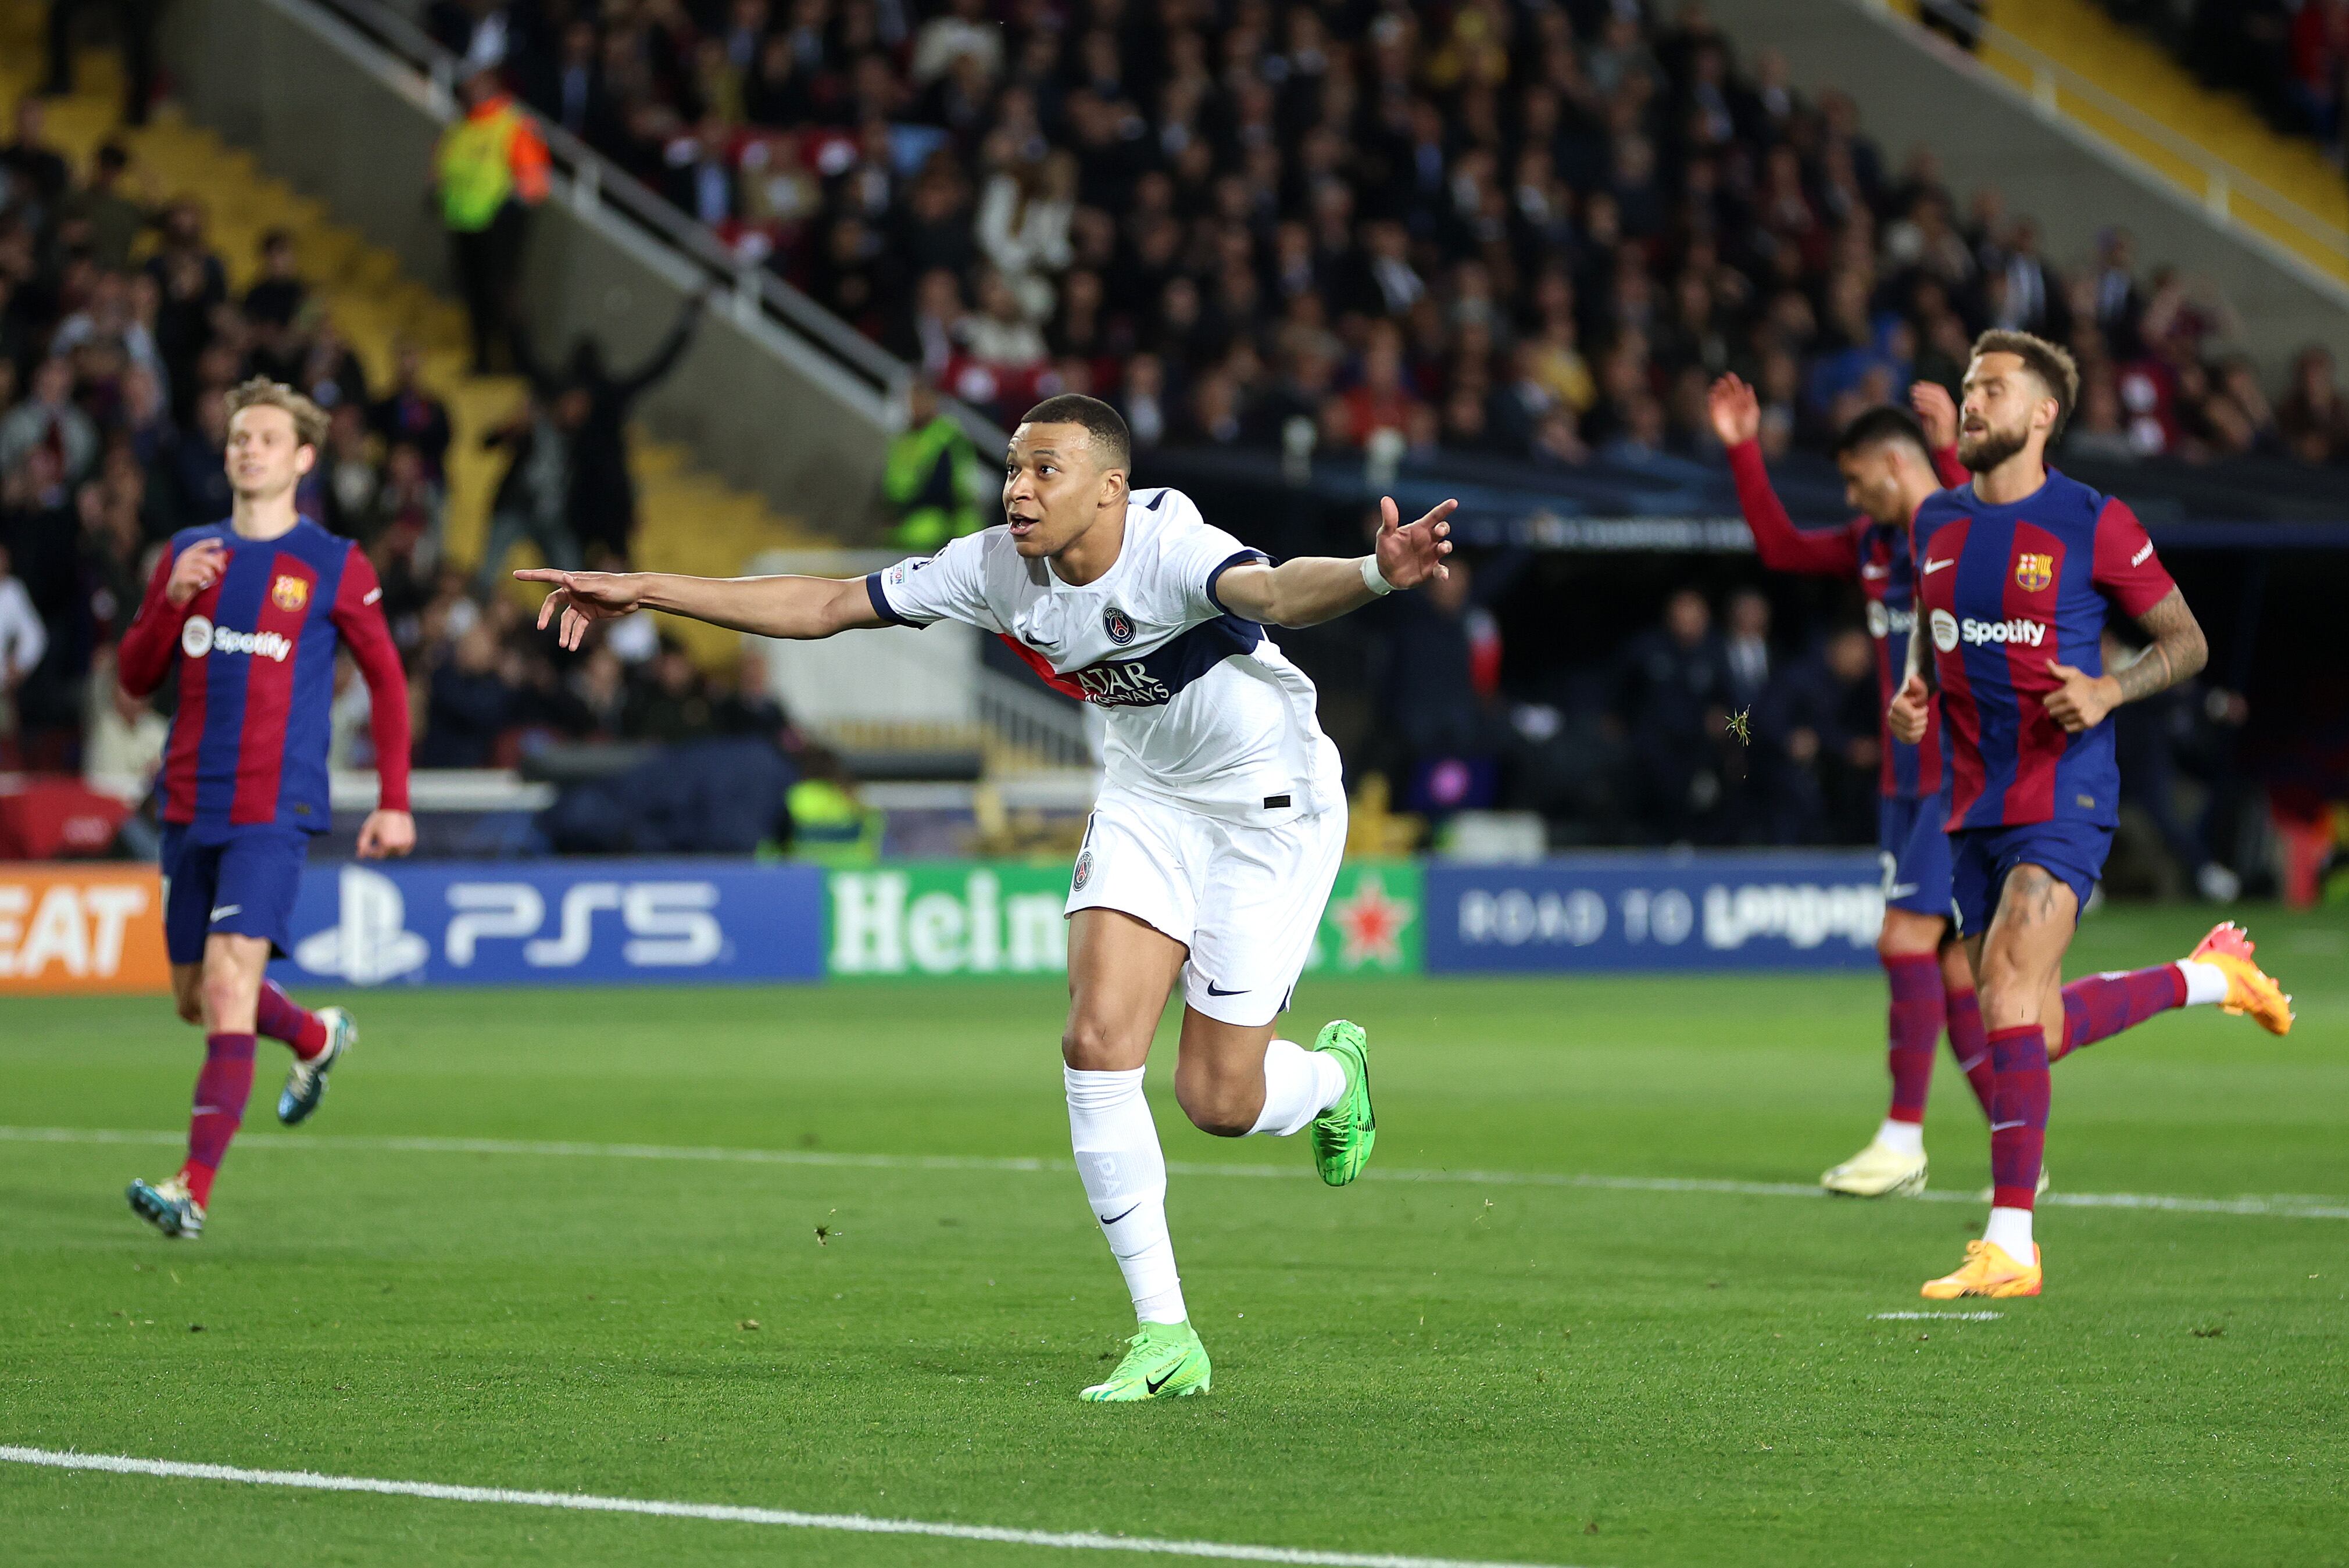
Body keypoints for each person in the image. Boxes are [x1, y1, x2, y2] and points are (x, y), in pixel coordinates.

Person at [519, 393, 1455, 1400]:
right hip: (1148, 799)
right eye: (1012, 467)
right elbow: (828, 603)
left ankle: (1329, 1078)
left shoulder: (1173, 542)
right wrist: (647, 589)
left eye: (1044, 469)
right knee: (1096, 1041)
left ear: (1110, 488)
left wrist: (1371, 573)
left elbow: (1270, 592)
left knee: (1216, 1100)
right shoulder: (991, 567)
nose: (1017, 488)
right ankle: (1166, 1332)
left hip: (1269, 804)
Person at [1889, 331, 2293, 1299]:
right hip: (1972, 803)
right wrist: (1913, 688)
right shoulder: (1936, 521)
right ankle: (2208, 976)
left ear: (2042, 416)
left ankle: (2012, 1243)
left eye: (1992, 388)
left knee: (2005, 995)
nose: (1971, 400)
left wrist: (2111, 690)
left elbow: (2187, 641)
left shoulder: (2092, 521)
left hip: (2064, 793)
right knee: (2039, 1020)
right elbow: (1927, 617)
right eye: (1967, 385)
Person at [113, 378, 417, 1241]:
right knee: (195, 997)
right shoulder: (189, 553)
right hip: (188, 804)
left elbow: (389, 680)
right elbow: (134, 679)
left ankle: (191, 1188)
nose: (249, 449)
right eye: (239, 436)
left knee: (226, 980)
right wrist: (169, 602)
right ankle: (315, 1035)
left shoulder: (332, 563)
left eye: (268, 438)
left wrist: (395, 800)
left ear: (303, 458)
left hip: (274, 808)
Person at [1714, 373, 1989, 1195]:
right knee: (1954, 969)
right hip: (1905, 783)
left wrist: (1946, 450)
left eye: (1854, 475)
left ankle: (1902, 1142)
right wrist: (1741, 451)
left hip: (1958, 773)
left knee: (1903, 941)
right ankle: (2023, 1147)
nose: (1848, 492)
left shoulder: (1951, 535)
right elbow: (1780, 547)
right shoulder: (1871, 545)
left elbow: (1979, 524)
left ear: (1896, 465)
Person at [435, 64, 550, 374]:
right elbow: (441, 172)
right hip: (463, 225)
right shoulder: (460, 128)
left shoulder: (513, 124)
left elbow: (535, 182)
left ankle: (520, 362)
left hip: (499, 226)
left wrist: (509, 212)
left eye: (479, 82)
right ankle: (482, 359)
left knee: (503, 294)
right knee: (474, 297)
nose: (472, 90)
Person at [883, 376, 986, 550]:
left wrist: (901, 511)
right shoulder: (906, 437)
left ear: (934, 400)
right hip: (907, 523)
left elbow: (942, 486)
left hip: (941, 525)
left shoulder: (946, 435)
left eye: (921, 398)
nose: (915, 405)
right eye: (912, 399)